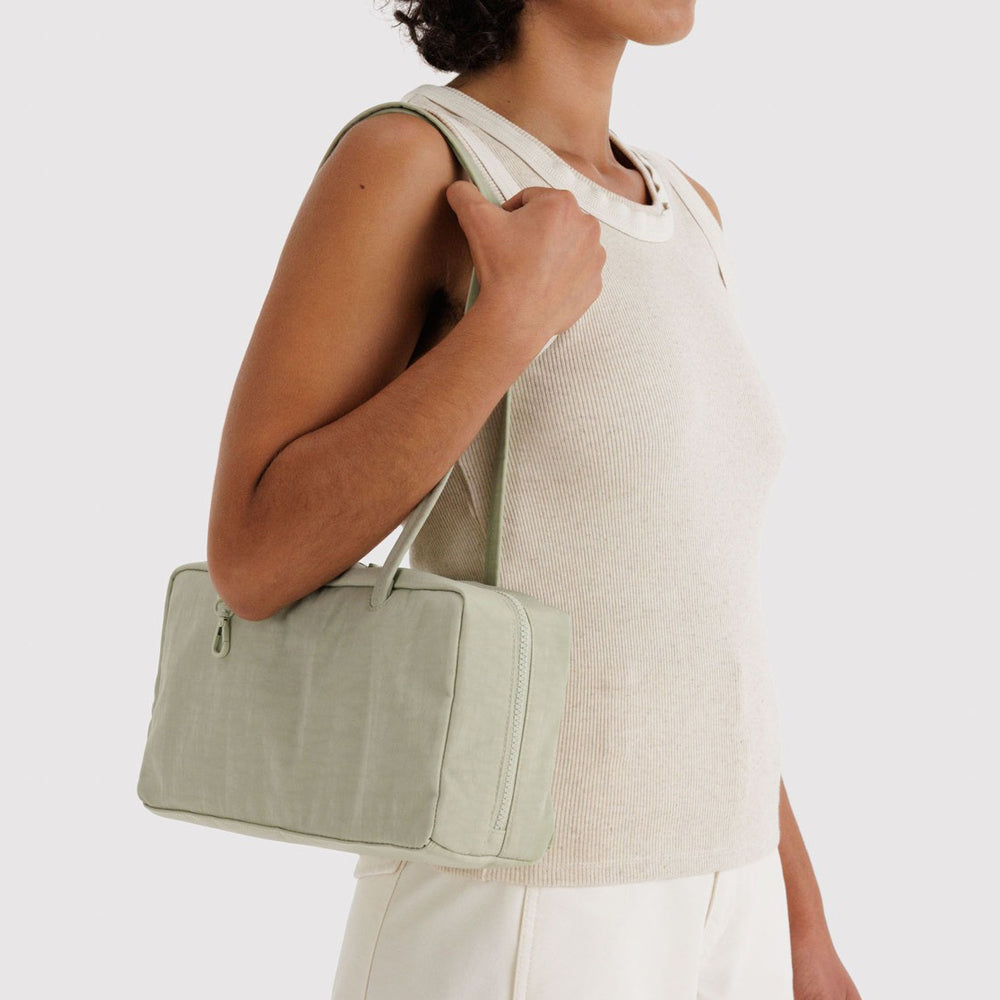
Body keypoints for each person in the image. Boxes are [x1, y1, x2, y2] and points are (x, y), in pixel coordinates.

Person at [206, 1, 863, 997]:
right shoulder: (420, 161)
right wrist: (506, 327)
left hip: (732, 897)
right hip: (524, 904)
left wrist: (801, 928)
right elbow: (252, 558)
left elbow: (693, 605)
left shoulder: (687, 208)